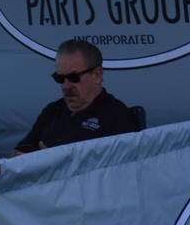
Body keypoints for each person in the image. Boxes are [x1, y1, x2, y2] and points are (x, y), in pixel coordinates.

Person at [11, 39, 140, 155]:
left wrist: (54, 162)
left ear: (97, 75)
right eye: (60, 78)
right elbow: (18, 154)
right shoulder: (51, 112)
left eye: (74, 77)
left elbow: (121, 170)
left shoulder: (117, 117)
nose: (66, 86)